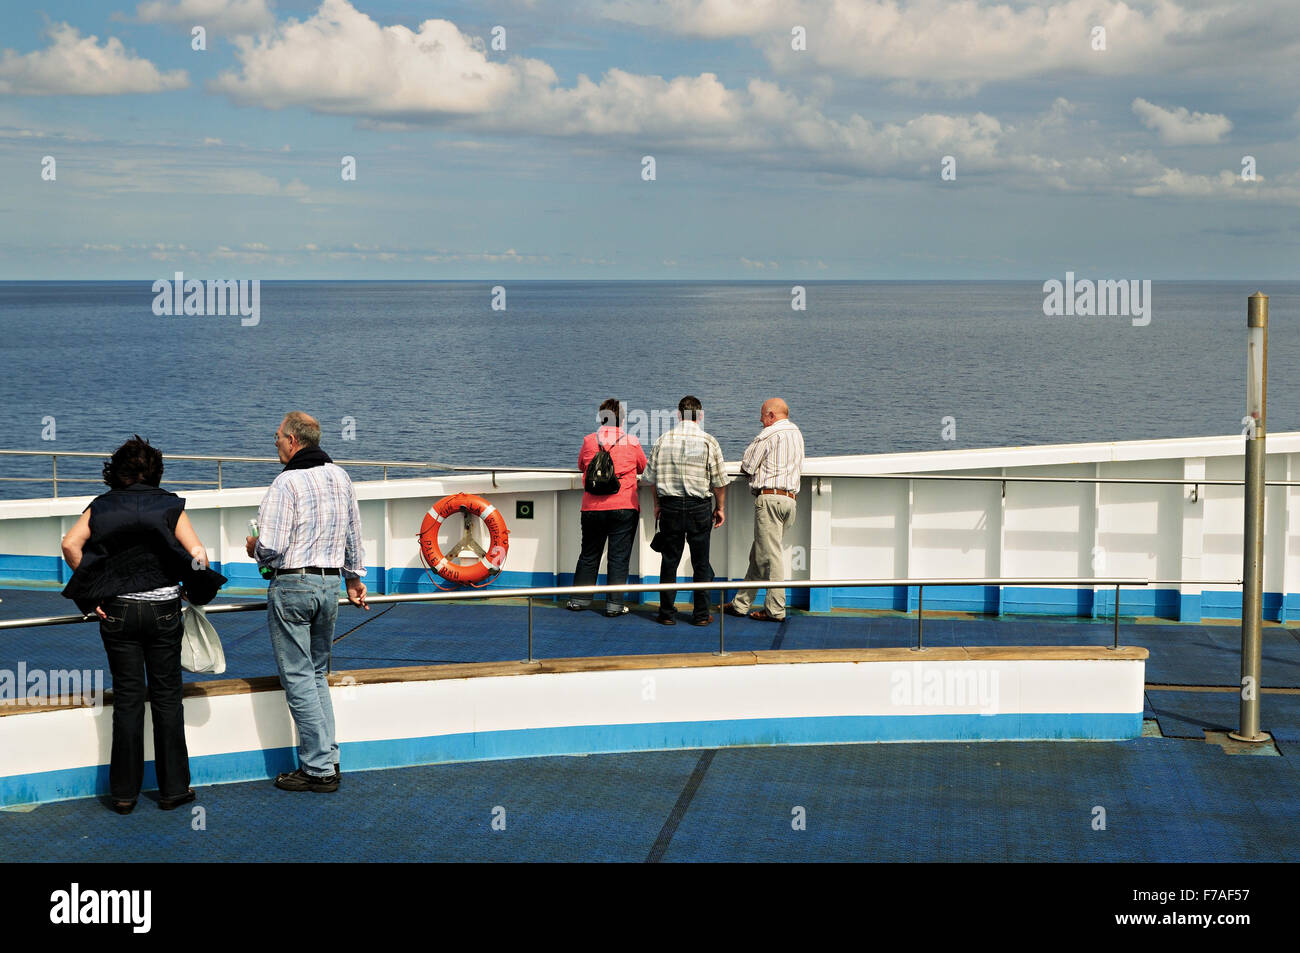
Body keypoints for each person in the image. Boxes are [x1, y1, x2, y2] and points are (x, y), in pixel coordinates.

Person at [61, 436, 226, 815]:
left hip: (117, 611)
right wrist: (193, 588)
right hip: (164, 612)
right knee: (167, 698)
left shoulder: (100, 507)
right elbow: (197, 554)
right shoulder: (169, 505)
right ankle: (173, 791)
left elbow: (71, 545)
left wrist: (95, 593)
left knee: (128, 700)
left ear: (116, 471)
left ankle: (123, 794)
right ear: (155, 470)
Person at [245, 412, 368, 793]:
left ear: (294, 441)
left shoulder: (286, 483)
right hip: (330, 586)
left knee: (298, 677)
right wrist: (353, 577)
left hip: (293, 586)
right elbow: (352, 532)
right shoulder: (340, 476)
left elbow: (273, 548)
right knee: (316, 674)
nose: (275, 442)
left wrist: (253, 548)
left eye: (278, 436)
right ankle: (328, 758)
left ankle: (318, 770)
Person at [643, 396, 728, 626]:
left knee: (669, 561)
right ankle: (700, 615)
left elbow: (650, 478)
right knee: (701, 563)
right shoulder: (708, 441)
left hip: (669, 506)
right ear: (700, 416)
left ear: (678, 415)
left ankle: (667, 614)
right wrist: (720, 507)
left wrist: (657, 504)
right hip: (698, 508)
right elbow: (719, 481)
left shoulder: (663, 440)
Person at [725, 398, 805, 622]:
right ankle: (741, 604)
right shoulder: (796, 434)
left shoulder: (769, 435)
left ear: (771, 415)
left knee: (771, 557)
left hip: (770, 499)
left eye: (762, 415)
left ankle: (775, 610)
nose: (760, 420)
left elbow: (748, 465)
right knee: (759, 555)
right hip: (789, 501)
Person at [567, 398, 647, 616]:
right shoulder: (631, 441)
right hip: (624, 506)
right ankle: (614, 605)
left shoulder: (589, 440)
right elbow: (643, 467)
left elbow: (582, 465)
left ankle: (579, 601)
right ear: (621, 419)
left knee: (589, 554)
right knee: (618, 557)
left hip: (592, 507)